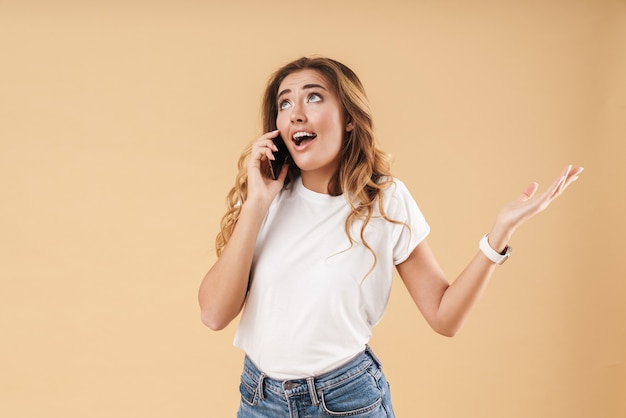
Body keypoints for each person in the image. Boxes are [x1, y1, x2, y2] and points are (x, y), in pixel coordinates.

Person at [198, 56, 583, 417]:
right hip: (260, 401)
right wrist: (256, 205)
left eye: (313, 97)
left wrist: (500, 233)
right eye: (284, 104)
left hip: (346, 400)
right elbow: (214, 315)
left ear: (349, 118)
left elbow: (444, 317)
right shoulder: (265, 198)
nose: (296, 112)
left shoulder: (384, 200)